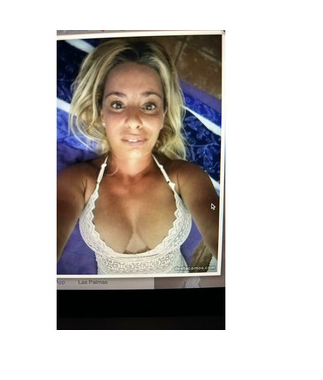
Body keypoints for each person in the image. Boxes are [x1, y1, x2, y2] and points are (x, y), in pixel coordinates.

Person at [57, 38, 219, 275]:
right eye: (117, 104)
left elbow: (215, 218)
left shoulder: (186, 176)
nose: (134, 121)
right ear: (102, 113)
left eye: (149, 105)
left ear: (163, 115)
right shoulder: (77, 181)